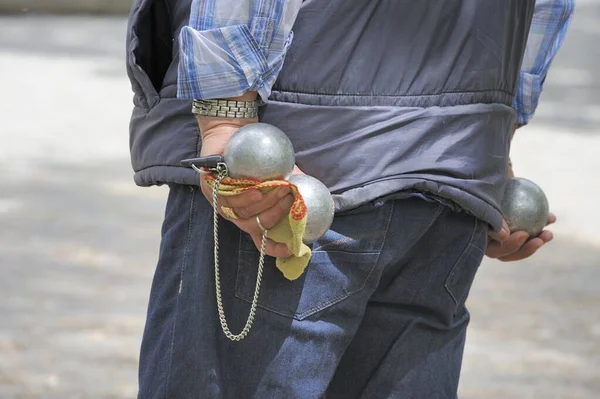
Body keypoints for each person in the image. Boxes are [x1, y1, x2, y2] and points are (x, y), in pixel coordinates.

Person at [126, 0, 574, 397]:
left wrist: (228, 118)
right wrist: (496, 146)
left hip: (295, 176)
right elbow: (546, 12)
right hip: (453, 174)